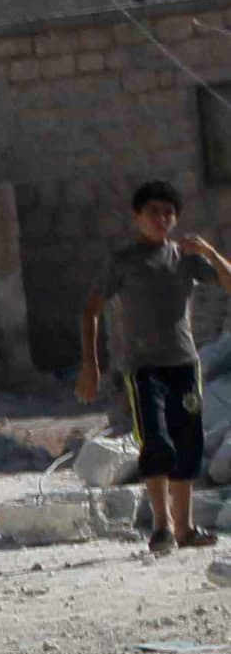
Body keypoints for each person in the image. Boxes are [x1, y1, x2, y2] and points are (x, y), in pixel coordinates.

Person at [77, 178, 230, 554]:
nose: (161, 218)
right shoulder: (124, 262)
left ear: (175, 218)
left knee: (188, 446)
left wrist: (210, 252)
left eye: (168, 212)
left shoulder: (186, 260)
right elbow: (90, 311)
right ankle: (161, 528)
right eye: (153, 212)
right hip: (144, 369)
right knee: (157, 443)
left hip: (184, 366)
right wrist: (90, 366)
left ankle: (186, 529)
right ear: (137, 217)